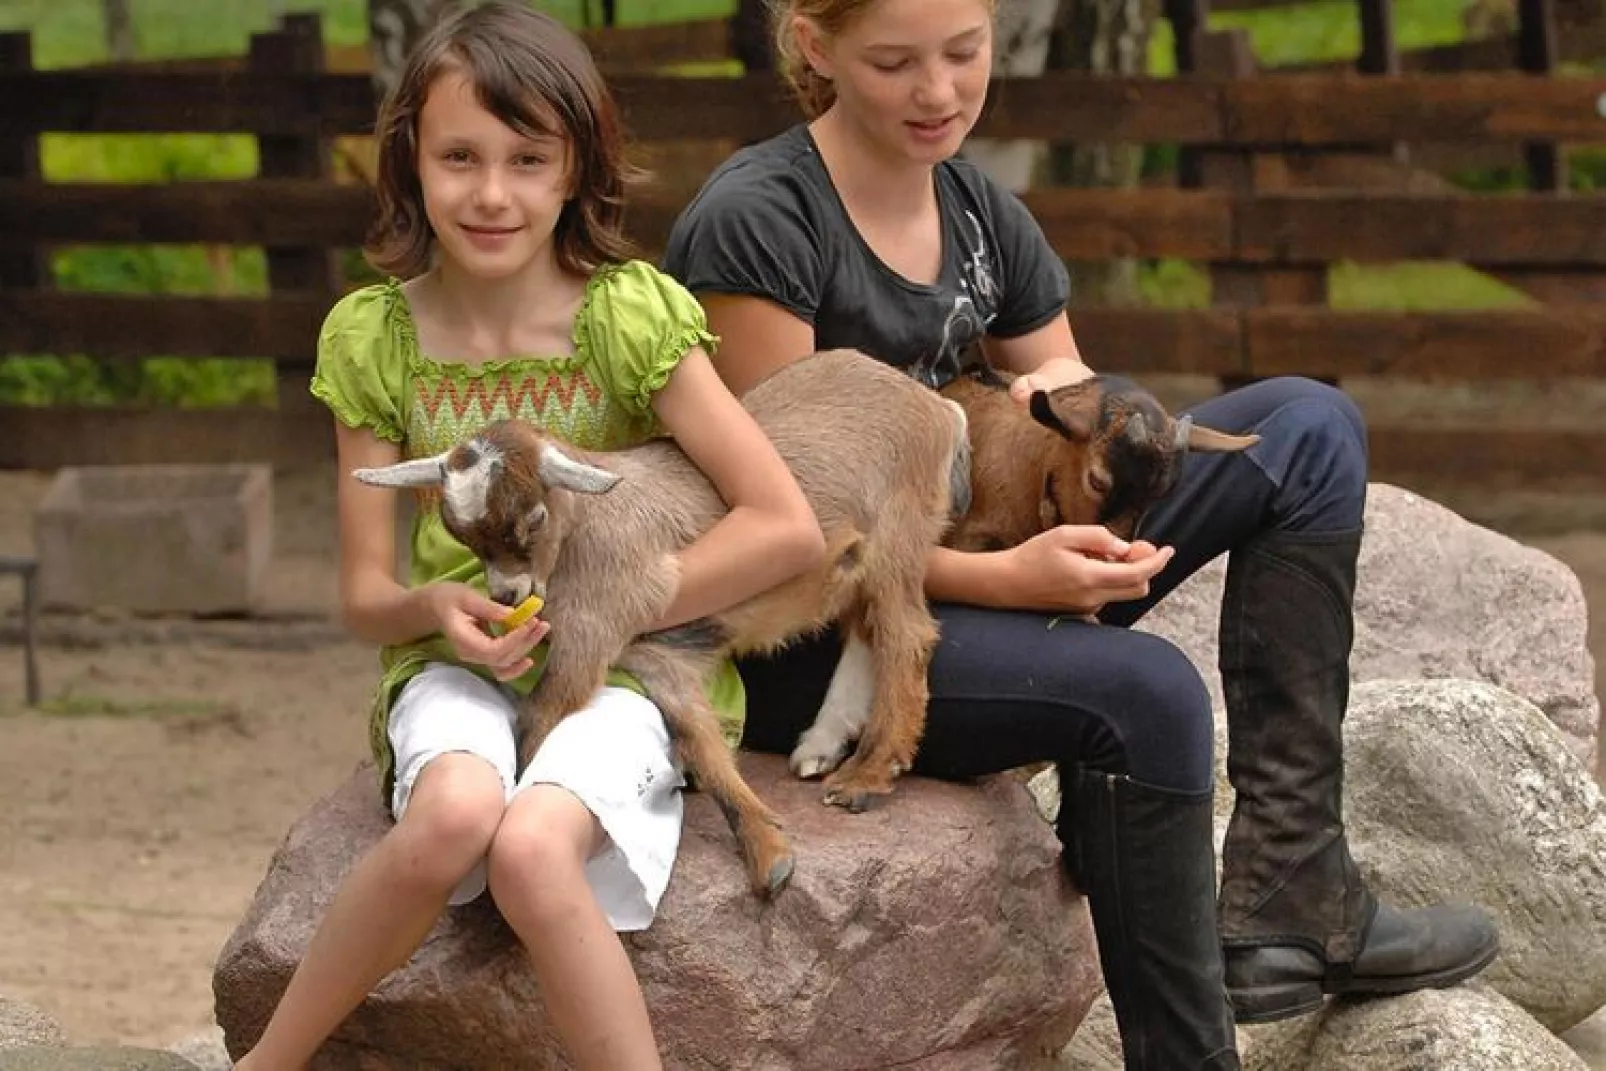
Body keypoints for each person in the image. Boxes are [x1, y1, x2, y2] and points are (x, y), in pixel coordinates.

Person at [661, 0, 1500, 1067]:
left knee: (1309, 426)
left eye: (964, 53)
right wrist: (1007, 582)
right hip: (820, 639)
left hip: (988, 563)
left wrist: (1072, 465)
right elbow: (781, 533)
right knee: (1144, 692)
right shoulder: (760, 222)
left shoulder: (974, 209)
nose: (939, 92)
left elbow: (1070, 394)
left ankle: (1289, 888)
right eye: (895, 62)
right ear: (814, 46)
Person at [235, 5, 825, 1069]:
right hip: (455, 664)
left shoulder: (628, 318)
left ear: (576, 168)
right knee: (456, 810)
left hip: (628, 670)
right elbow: (365, 593)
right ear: (410, 159)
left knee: (532, 848)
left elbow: (783, 526)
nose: (492, 192)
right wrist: (433, 610)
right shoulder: (374, 338)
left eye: (526, 158)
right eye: (460, 156)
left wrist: (606, 613)